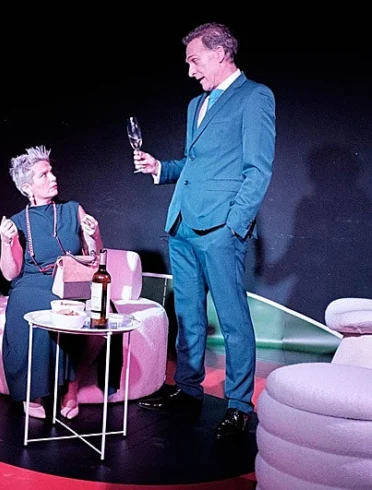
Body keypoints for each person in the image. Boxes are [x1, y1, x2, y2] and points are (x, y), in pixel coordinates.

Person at [133, 22, 276, 439]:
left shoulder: (255, 96)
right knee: (188, 314)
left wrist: (234, 227)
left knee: (232, 319)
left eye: (195, 61)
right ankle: (188, 388)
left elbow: (257, 170)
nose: (191, 70)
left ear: (219, 53)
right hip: (182, 224)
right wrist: (160, 168)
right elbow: (193, 163)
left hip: (219, 229)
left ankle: (238, 404)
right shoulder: (197, 104)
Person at [0, 145, 102, 420]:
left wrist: (93, 234)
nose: (53, 177)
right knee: (44, 305)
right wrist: (6, 242)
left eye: (51, 171)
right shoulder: (18, 221)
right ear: (27, 187)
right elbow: (10, 273)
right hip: (32, 283)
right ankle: (32, 392)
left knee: (100, 316)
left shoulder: (73, 210)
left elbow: (94, 258)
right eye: (44, 175)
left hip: (70, 280)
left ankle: (71, 388)